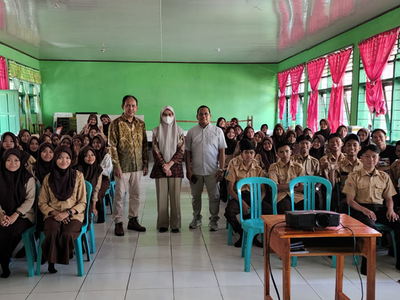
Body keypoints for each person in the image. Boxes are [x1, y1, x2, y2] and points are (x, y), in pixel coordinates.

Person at [343, 144, 400, 273]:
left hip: (380, 209)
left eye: (374, 157)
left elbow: (389, 198)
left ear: (378, 158)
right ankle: (367, 267)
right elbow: (350, 201)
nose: (371, 160)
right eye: (367, 157)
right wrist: (364, 210)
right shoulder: (354, 176)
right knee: (370, 228)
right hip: (360, 209)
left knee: (398, 223)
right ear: (361, 158)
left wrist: (390, 210)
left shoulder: (384, 176)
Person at [38, 146, 87, 274]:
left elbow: (82, 202)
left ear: (71, 160)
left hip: (74, 214)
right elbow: (42, 202)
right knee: (52, 230)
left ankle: (53, 257)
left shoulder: (78, 176)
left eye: (67, 158)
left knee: (67, 234)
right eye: (60, 157)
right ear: (55, 159)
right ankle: (51, 263)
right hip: (53, 213)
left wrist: (68, 213)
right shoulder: (48, 178)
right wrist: (56, 213)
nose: (63, 161)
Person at [109, 95, 149, 236]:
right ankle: (118, 222)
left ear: (136, 108)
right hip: (122, 166)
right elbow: (112, 146)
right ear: (122, 106)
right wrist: (116, 165)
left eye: (133, 106)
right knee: (119, 195)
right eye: (128, 105)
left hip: (137, 165)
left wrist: (145, 163)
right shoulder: (115, 124)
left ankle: (133, 219)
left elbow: (145, 144)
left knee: (136, 195)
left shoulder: (140, 124)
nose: (130, 108)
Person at [185, 105, 226, 231]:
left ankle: (213, 220)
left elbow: (222, 151)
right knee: (195, 197)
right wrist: (189, 170)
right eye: (201, 114)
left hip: (213, 171)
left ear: (210, 116)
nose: (204, 116)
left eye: (206, 114)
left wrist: (221, 169)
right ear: (197, 117)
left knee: (214, 197)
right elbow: (187, 152)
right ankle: (196, 218)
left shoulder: (218, 131)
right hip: (196, 171)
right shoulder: (191, 132)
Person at [225, 139, 272, 247]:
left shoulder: (258, 169)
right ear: (241, 153)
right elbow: (230, 190)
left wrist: (257, 202)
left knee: (271, 211)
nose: (249, 155)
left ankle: (253, 236)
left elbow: (263, 191)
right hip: (239, 196)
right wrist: (242, 202)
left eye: (251, 153)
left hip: (254, 197)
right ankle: (243, 234)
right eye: (246, 152)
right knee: (229, 212)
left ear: (255, 154)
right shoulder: (235, 168)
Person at [0, 149, 35, 278]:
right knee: (2, 228)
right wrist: (1, 215)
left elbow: (30, 200)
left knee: (11, 231)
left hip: (23, 214)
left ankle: (4, 262)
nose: (12, 163)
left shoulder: (27, 177)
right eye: (8, 160)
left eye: (16, 160)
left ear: (21, 162)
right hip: (3, 214)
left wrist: (15, 214)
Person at [150, 106, 185, 233]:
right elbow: (155, 150)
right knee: (162, 197)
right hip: (160, 169)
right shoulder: (155, 131)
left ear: (174, 115)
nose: (168, 117)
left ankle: (175, 224)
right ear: (161, 116)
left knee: (175, 198)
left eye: (170, 114)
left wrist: (169, 165)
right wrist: (164, 166)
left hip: (175, 169)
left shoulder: (180, 131)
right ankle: (163, 224)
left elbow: (181, 151)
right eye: (165, 114)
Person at [269, 140, 305, 213]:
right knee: (286, 208)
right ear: (277, 154)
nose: (284, 154)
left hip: (297, 195)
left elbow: (302, 187)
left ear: (291, 152)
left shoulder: (298, 167)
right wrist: (292, 185)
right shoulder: (273, 167)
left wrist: (286, 187)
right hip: (281, 196)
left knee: (307, 205)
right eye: (281, 152)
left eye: (287, 151)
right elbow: (275, 187)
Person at [75, 146, 103, 227]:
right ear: (82, 157)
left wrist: (94, 207)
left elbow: (96, 189)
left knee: (88, 212)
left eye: (92, 154)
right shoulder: (76, 169)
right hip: (77, 199)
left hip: (89, 199)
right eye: (87, 155)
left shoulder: (98, 169)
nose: (90, 157)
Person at [336, 134, 363, 213]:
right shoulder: (339, 165)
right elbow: (334, 183)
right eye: (349, 145)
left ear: (359, 148)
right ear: (344, 148)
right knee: (344, 207)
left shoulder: (364, 165)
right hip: (345, 196)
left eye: (355, 145)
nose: (352, 148)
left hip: (362, 196)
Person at [91, 134, 112, 223]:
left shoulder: (106, 156)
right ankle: (90, 211)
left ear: (102, 143)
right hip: (92, 178)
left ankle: (101, 214)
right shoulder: (90, 154)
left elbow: (108, 170)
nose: (96, 144)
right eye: (94, 142)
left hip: (103, 179)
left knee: (98, 193)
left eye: (98, 142)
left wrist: (98, 169)